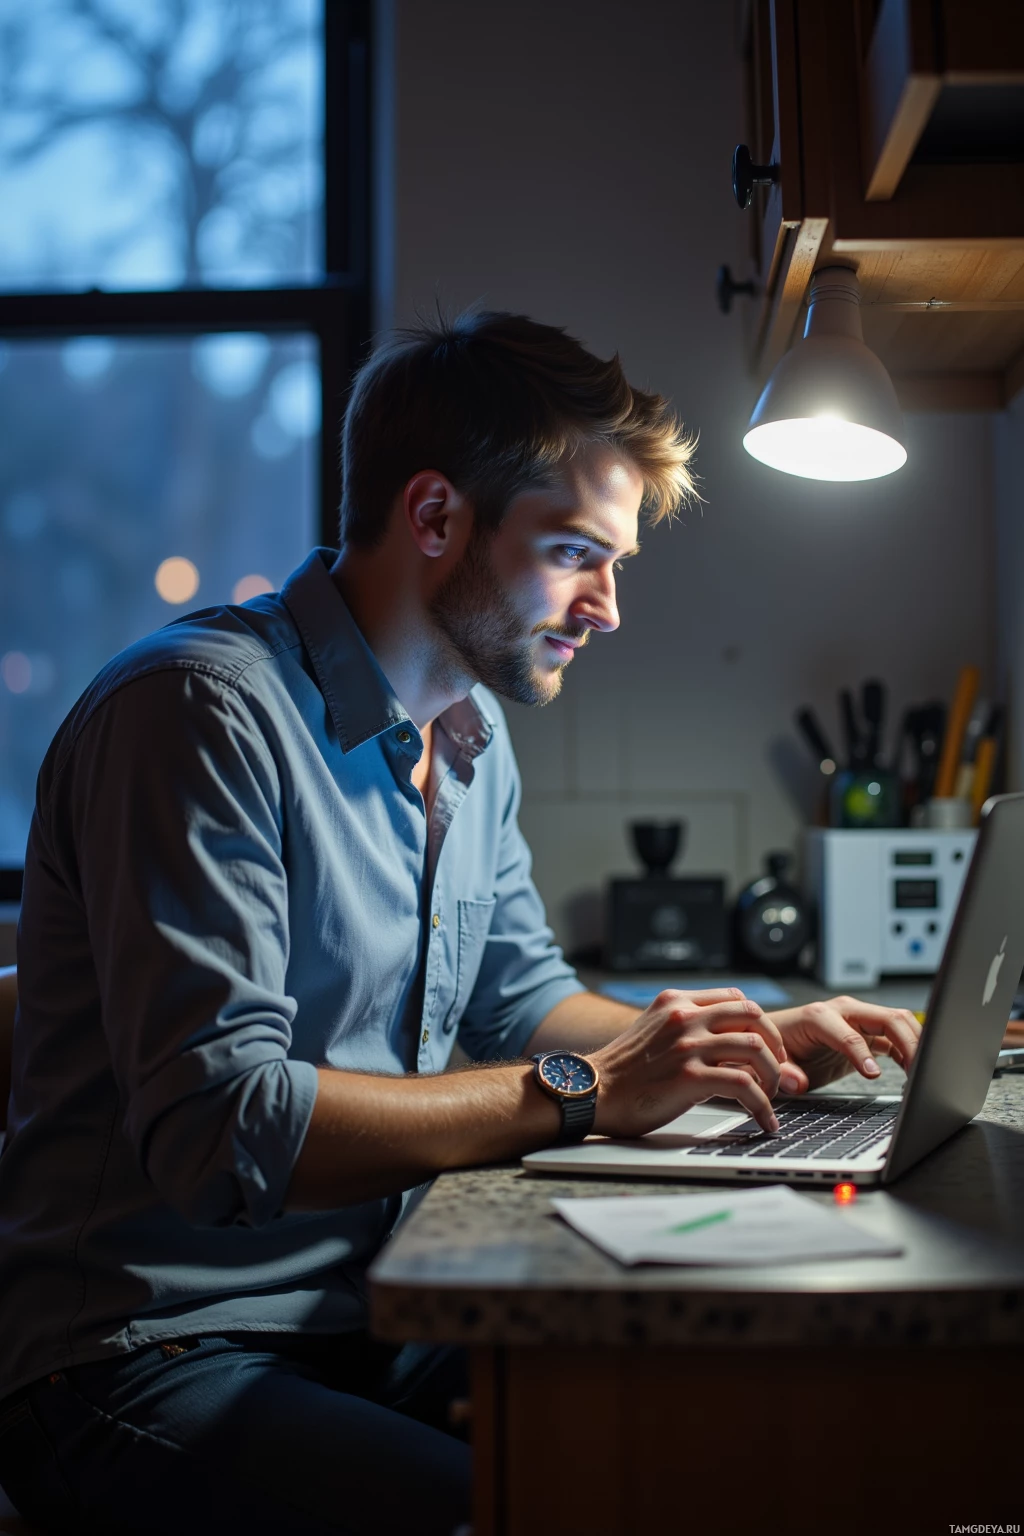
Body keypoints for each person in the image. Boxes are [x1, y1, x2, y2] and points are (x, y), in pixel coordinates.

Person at [0, 311, 922, 1535]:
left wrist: (742, 1037)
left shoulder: (470, 746)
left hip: (366, 1312)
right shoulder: (199, 716)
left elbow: (522, 1001)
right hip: (138, 1356)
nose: (605, 606)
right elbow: (222, 1128)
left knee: (704, 1446)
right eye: (575, 554)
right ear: (435, 519)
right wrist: (593, 1087)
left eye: (617, 564)